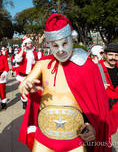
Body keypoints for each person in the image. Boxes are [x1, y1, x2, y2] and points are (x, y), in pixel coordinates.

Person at [18, 14, 112, 152]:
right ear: (49, 44)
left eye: (65, 43)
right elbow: (23, 85)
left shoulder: (87, 65)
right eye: (55, 45)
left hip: (76, 139)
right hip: (44, 137)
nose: (60, 50)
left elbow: (97, 104)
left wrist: (94, 126)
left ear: (71, 39)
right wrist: (25, 87)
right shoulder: (43, 63)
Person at [99, 43, 118, 134]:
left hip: (115, 108)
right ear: (105, 55)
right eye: (110, 55)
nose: (113, 58)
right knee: (101, 133)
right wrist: (99, 87)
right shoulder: (96, 68)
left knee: (112, 130)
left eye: (116, 55)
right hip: (102, 107)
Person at [15, 38, 38, 109]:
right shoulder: (22, 52)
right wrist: (22, 49)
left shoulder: (35, 53)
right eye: (28, 43)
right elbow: (17, 59)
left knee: (30, 90)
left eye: (30, 43)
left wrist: (35, 62)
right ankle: (24, 102)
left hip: (31, 75)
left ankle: (30, 102)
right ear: (25, 44)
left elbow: (39, 63)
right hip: (22, 76)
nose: (29, 44)